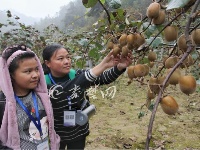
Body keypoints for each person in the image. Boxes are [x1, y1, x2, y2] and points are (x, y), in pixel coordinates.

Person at [42, 43, 133, 150]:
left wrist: (118, 68)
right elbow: (63, 89)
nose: (67, 61)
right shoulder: (43, 84)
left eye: (68, 57)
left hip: (78, 130)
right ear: (48, 63)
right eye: (60, 59)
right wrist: (102, 65)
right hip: (56, 134)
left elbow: (102, 78)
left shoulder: (76, 74)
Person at [0, 45, 60, 149]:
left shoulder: (43, 97)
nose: (35, 75)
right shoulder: (3, 104)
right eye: (28, 71)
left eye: (37, 69)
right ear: (11, 75)